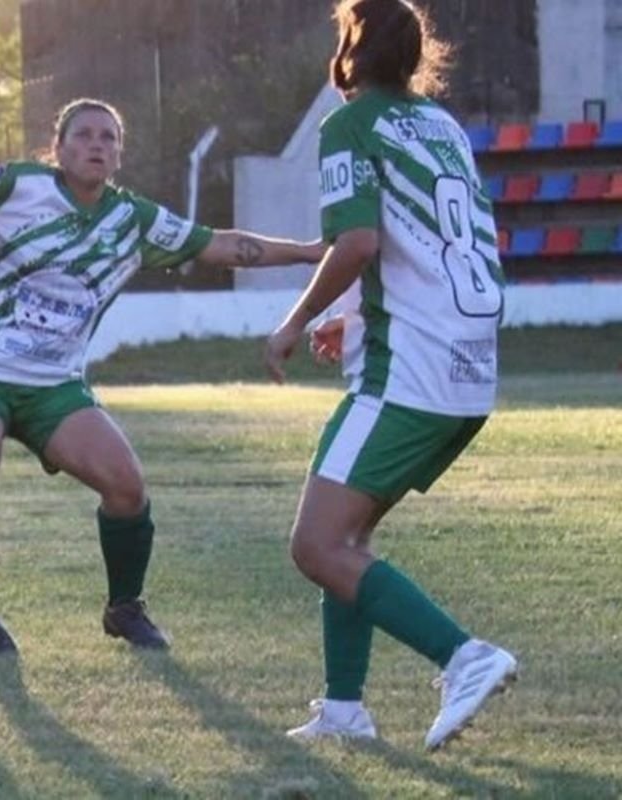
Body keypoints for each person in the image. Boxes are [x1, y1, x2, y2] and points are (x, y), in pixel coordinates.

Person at [0, 98, 326, 655]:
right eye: (83, 135)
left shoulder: (133, 220)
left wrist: (311, 253)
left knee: (127, 486)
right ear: (57, 147)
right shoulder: (18, 185)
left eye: (108, 138)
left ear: (119, 156)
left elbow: (221, 245)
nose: (96, 145)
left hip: (55, 384)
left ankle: (124, 607)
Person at [264, 0, 518, 751]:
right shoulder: (443, 128)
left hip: (407, 371)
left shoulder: (348, 124)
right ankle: (345, 711)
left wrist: (297, 320)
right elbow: (432, 243)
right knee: (349, 536)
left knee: (315, 546)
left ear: (350, 47)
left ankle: (464, 656)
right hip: (465, 365)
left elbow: (359, 241)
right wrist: (362, 319)